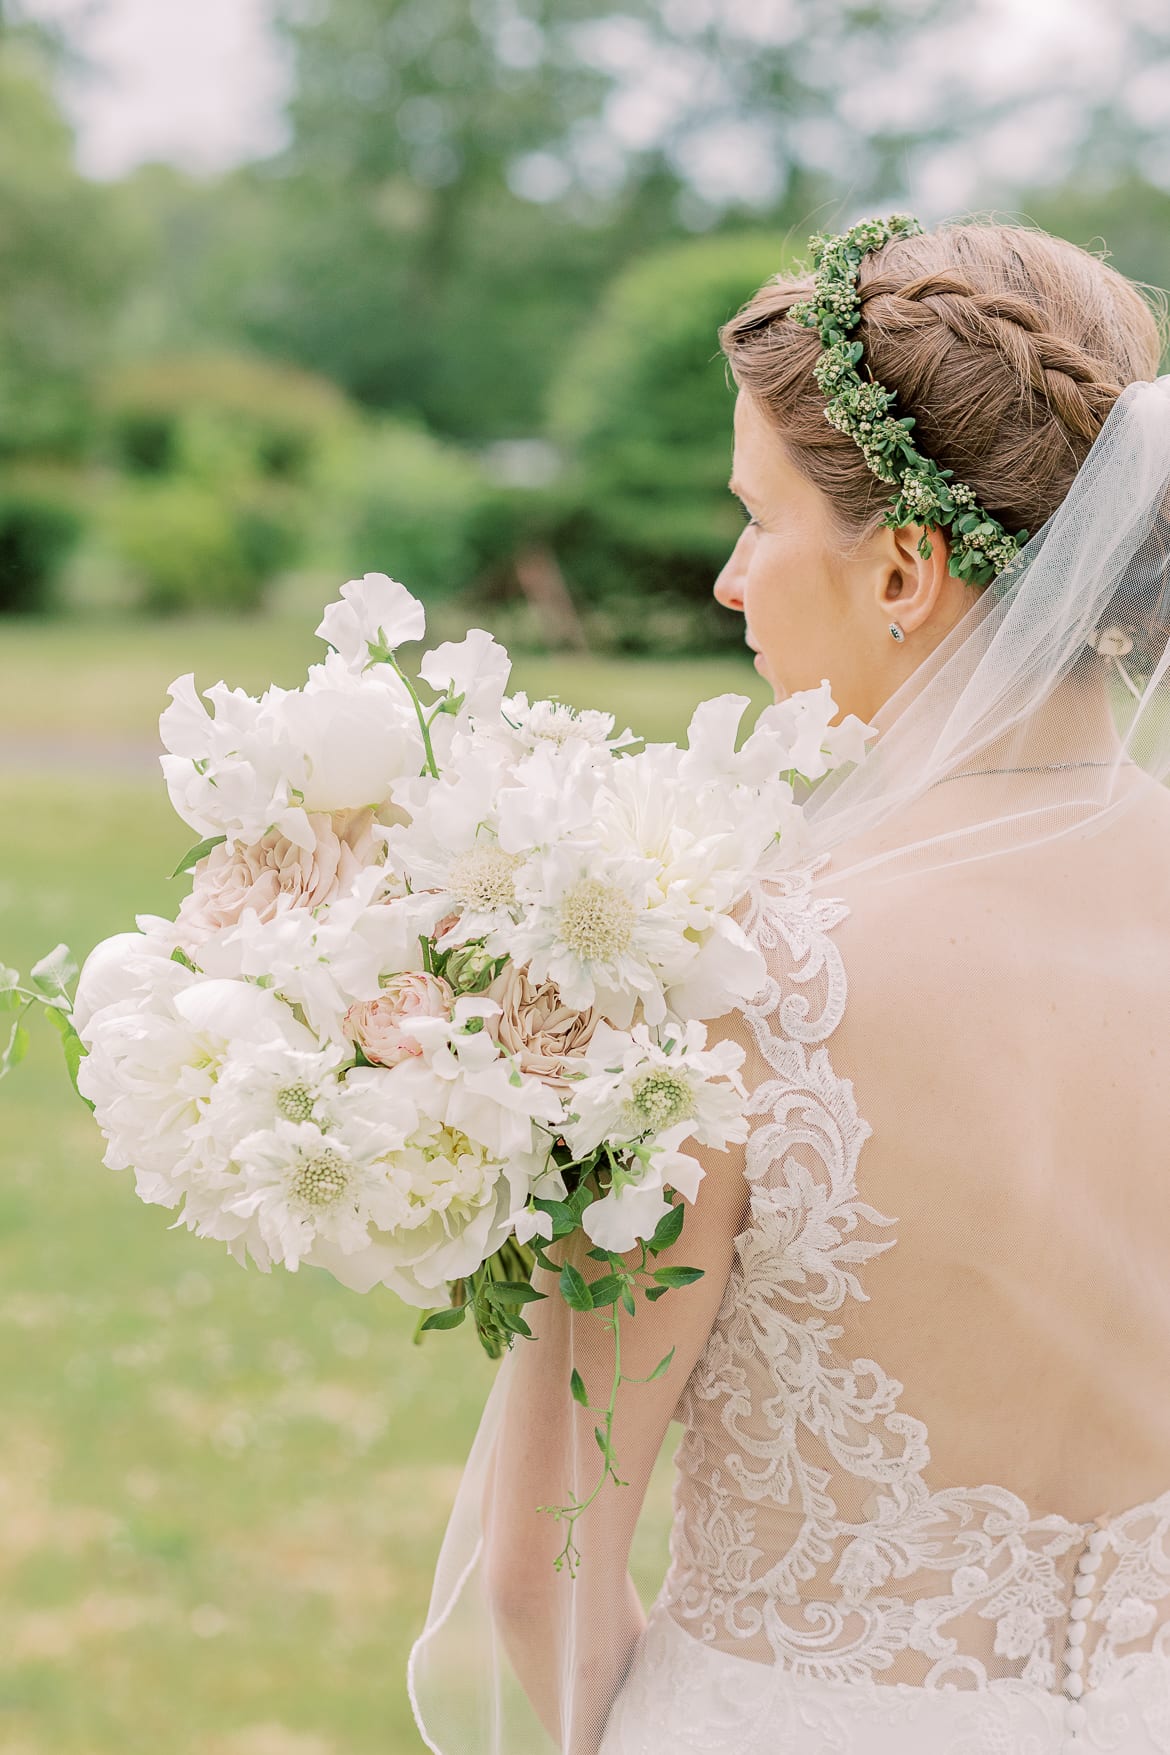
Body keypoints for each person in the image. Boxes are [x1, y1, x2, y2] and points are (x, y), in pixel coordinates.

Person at [408, 214, 1170, 1754]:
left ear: (903, 566)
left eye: (758, 518)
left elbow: (539, 1568)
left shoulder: (742, 967)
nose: (729, 579)